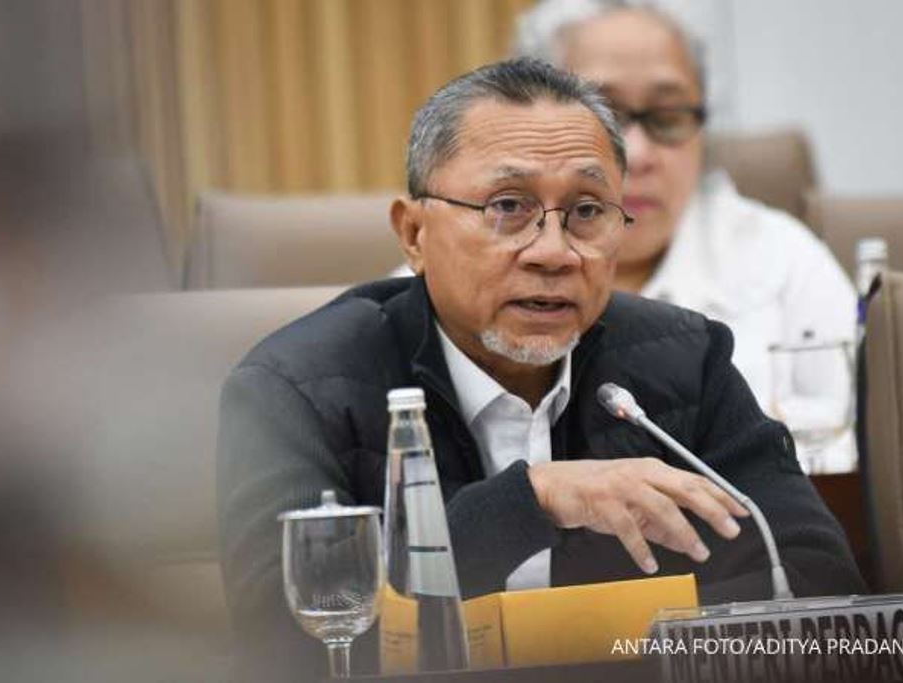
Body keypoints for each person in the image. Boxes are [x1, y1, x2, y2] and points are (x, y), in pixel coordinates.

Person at [217, 58, 863, 679]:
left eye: (587, 211)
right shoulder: (295, 390)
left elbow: (816, 584)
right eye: (507, 206)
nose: (554, 253)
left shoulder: (684, 360)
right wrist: (530, 500)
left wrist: (608, 649)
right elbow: (291, 645)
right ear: (414, 234)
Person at [515, 0, 858, 472]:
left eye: (668, 115)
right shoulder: (466, 266)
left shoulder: (783, 261)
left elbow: (864, 443)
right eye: (603, 115)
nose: (638, 154)